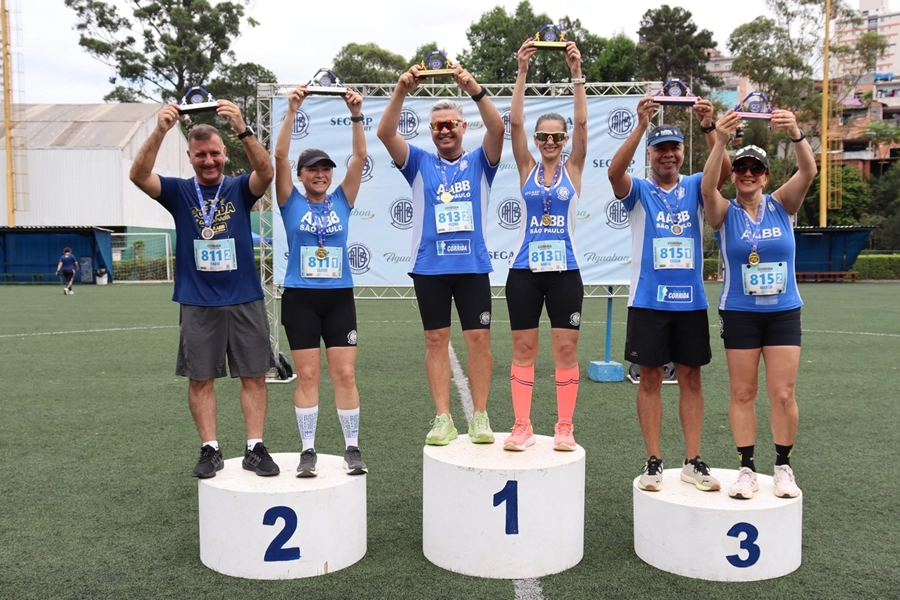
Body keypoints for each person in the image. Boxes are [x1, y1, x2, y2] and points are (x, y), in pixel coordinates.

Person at [129, 99, 279, 479]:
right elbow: (138, 175)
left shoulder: (239, 189)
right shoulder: (178, 191)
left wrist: (243, 128)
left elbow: (267, 171)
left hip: (244, 296)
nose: (208, 161)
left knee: (254, 375)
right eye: (200, 155)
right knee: (200, 378)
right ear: (190, 156)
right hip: (198, 301)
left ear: (225, 153)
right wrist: (161, 129)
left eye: (214, 153)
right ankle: (210, 448)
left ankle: (254, 447)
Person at [377, 61, 504, 446]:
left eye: (451, 124)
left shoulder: (481, 160)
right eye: (438, 125)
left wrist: (473, 88)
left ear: (463, 127)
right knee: (435, 340)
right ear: (430, 131)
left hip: (472, 265)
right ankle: (443, 418)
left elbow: (498, 128)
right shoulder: (417, 161)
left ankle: (480, 415)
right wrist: (401, 88)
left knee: (479, 340)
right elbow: (384, 133)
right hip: (430, 267)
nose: (445, 130)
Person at [608, 96, 731, 492]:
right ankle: (653, 461)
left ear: (682, 152)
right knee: (650, 379)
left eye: (674, 148)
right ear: (651, 154)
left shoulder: (696, 184)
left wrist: (710, 126)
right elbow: (614, 172)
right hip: (648, 301)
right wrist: (641, 126)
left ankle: (692, 460)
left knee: (692, 378)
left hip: (691, 301)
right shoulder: (640, 189)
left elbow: (725, 170)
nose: (668, 155)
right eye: (660, 149)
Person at [701, 109, 815, 499]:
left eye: (756, 168)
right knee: (743, 393)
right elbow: (705, 190)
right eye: (742, 168)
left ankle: (783, 465)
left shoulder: (783, 204)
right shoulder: (724, 212)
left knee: (783, 393)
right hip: (740, 313)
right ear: (733, 175)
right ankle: (746, 468)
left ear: (766, 175)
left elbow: (809, 172)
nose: (748, 174)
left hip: (783, 311)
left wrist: (797, 133)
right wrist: (718, 140)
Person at [274, 85, 367, 477]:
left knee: (345, 374)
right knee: (308, 375)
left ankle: (352, 448)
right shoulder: (289, 201)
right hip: (300, 298)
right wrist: (293, 110)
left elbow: (360, 157)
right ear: (300, 175)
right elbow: (278, 155)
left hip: (338, 298)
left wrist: (357, 115)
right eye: (312, 168)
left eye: (325, 168)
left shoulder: (343, 198)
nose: (320, 173)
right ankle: (308, 451)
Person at [503, 39, 587, 452]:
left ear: (565, 139)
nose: (550, 142)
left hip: (565, 271)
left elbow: (584, 126)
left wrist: (576, 73)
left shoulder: (573, 167)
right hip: (524, 271)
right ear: (536, 140)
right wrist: (521, 71)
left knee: (566, 346)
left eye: (557, 137)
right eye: (544, 137)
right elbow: (514, 125)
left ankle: (564, 426)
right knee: (523, 346)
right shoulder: (526, 167)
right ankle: (522, 425)